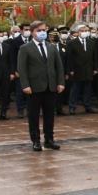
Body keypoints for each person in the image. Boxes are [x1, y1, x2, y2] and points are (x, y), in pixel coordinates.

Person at [16, 21, 64, 152]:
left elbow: (59, 67)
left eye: (44, 30)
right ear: (32, 32)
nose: (42, 32)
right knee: (34, 116)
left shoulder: (51, 47)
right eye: (39, 30)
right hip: (34, 88)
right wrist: (25, 85)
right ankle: (36, 141)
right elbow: (22, 68)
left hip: (50, 87)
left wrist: (60, 82)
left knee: (50, 115)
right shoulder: (25, 48)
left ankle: (49, 140)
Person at [66, 24, 97, 114]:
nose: (84, 32)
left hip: (88, 69)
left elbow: (94, 57)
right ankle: (72, 107)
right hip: (76, 70)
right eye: (82, 31)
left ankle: (87, 106)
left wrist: (95, 68)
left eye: (86, 31)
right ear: (78, 32)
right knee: (75, 89)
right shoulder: (72, 43)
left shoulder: (91, 42)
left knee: (87, 89)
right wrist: (70, 70)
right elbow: (69, 58)